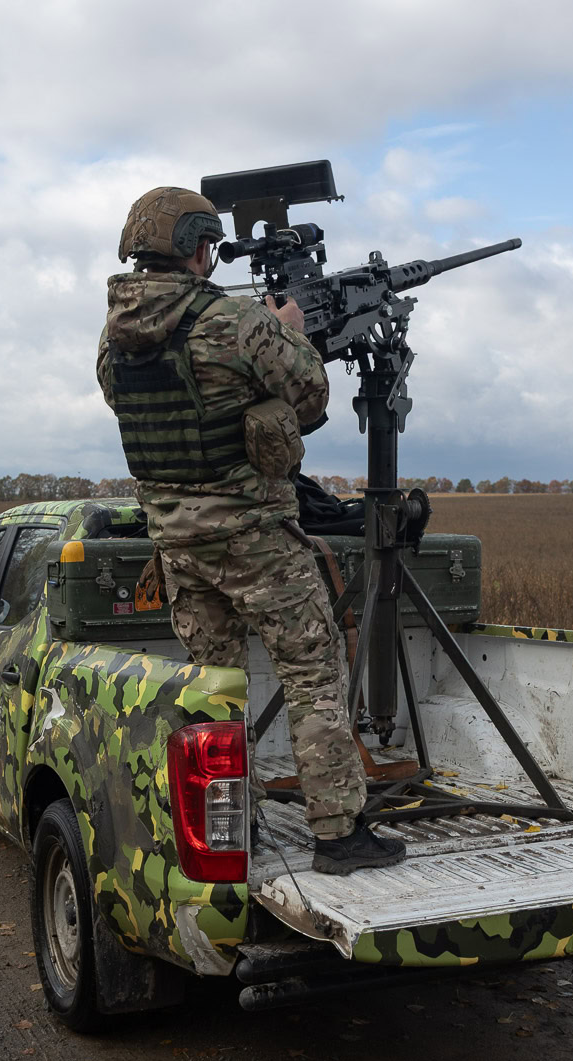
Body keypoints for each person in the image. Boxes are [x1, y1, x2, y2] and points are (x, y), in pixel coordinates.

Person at [97, 186, 406, 875]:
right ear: (198, 248)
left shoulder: (114, 337)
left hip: (177, 544)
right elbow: (311, 396)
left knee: (211, 687)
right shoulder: (235, 321)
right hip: (255, 538)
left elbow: (133, 397)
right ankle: (338, 833)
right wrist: (288, 328)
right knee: (312, 673)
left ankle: (230, 829)